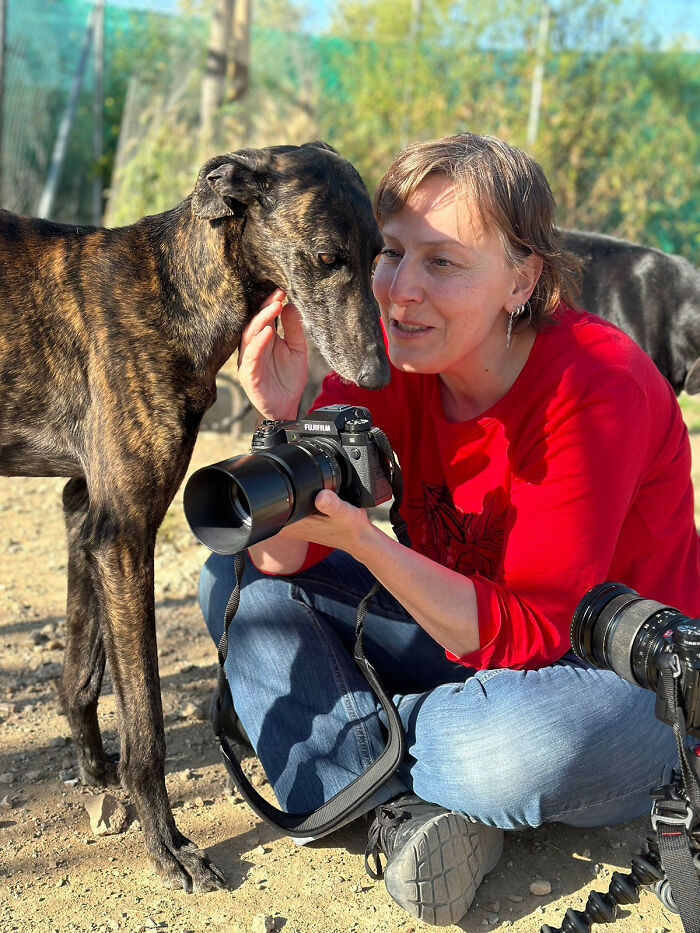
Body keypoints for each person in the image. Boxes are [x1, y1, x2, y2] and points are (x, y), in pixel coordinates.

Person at [198, 133, 700, 926]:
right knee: (233, 574)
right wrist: (282, 423)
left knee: (509, 750)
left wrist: (367, 544)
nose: (401, 291)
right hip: (456, 636)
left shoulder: (597, 387)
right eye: (391, 252)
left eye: (442, 262)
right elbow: (284, 559)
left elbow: (535, 630)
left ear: (521, 279)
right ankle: (405, 813)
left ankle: (354, 755)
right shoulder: (397, 359)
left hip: (612, 676)